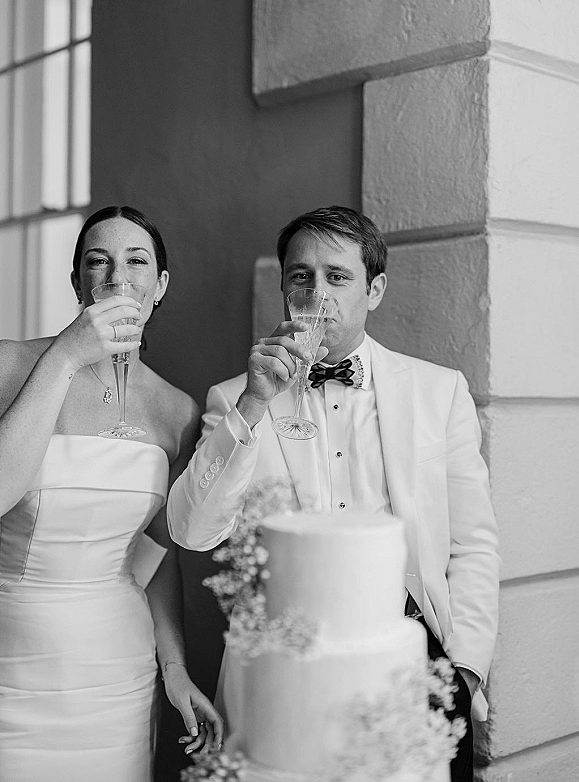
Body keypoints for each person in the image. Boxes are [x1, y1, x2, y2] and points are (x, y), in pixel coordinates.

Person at [167, 206, 500, 782]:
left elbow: (473, 545)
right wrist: (254, 404)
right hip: (285, 683)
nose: (315, 293)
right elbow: (191, 532)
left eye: (336, 276)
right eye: (300, 276)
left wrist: (464, 670)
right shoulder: (233, 399)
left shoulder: (439, 393)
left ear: (374, 290)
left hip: (415, 668)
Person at [0, 206, 223, 782]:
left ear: (160, 286)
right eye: (98, 261)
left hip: (116, 670)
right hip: (12, 662)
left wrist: (173, 668)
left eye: (136, 261)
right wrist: (68, 355)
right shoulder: (10, 366)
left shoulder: (178, 411)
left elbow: (155, 556)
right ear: (77, 282)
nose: (117, 278)